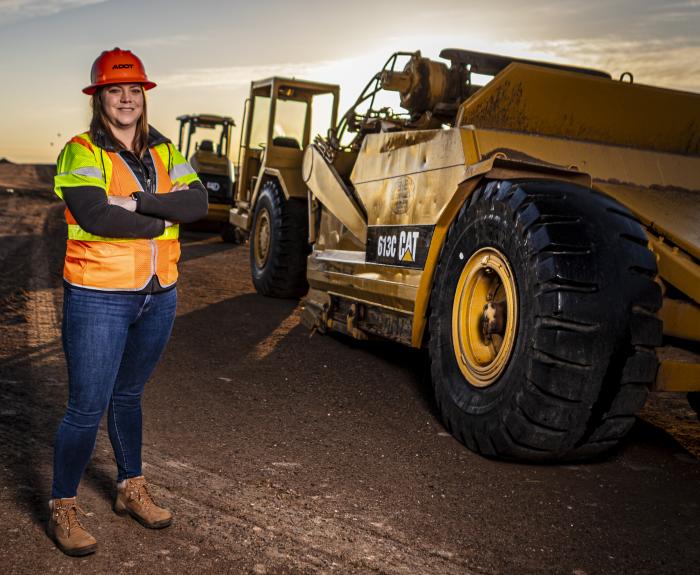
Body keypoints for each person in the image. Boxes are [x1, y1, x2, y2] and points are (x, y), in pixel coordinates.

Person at [49, 47, 208, 556]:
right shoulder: (81, 151)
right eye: (115, 90)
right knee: (85, 406)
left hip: (157, 296)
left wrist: (137, 202)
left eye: (134, 89)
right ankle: (63, 505)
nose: (126, 99)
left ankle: (129, 488)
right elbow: (96, 216)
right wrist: (165, 217)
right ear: (99, 97)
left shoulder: (165, 150)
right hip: (99, 296)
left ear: (144, 96)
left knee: (129, 396)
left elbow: (199, 202)